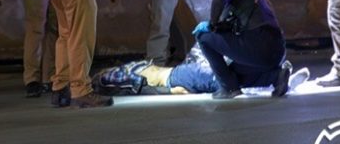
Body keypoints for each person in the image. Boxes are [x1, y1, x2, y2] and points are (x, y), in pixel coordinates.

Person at [194, 0, 292, 100]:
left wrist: (212, 24)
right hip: (277, 51)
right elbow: (237, 26)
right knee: (233, 75)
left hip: (259, 46)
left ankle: (229, 89)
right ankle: (276, 77)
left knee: (203, 37)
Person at [92, 44, 310, 97]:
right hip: (174, 78)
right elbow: (140, 87)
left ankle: (274, 76)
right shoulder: (112, 78)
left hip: (180, 70)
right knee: (219, 77)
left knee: (218, 64)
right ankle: (275, 78)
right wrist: (170, 92)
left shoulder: (127, 68)